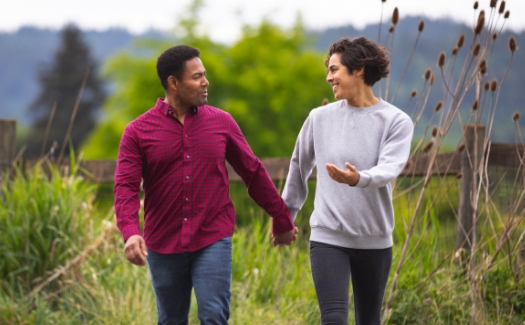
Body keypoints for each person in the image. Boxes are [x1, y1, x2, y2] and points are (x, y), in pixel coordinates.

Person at [114, 44, 298, 325]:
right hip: (162, 243)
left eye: (204, 74)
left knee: (213, 315)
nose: (205, 82)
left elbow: (253, 171)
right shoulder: (137, 132)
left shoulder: (221, 122)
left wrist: (281, 217)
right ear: (174, 83)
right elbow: (125, 187)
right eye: (197, 76)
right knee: (171, 320)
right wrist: (130, 232)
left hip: (212, 236)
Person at [282, 36, 414, 325]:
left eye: (334, 69)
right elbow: (298, 166)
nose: (328, 77)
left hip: (375, 240)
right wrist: (284, 217)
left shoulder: (396, 121)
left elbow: (390, 167)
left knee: (369, 320)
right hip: (328, 236)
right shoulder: (319, 118)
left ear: (359, 70)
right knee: (334, 319)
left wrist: (359, 178)